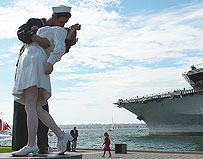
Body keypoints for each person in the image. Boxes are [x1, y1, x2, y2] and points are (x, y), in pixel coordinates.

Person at [12, 12, 81, 157]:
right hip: (32, 60)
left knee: (30, 105)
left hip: (33, 60)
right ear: (54, 16)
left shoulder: (58, 31)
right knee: (37, 107)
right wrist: (35, 34)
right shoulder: (41, 26)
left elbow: (61, 48)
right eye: (62, 21)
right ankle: (61, 135)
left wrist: (51, 62)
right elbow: (22, 32)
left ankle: (31, 144)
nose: (63, 25)